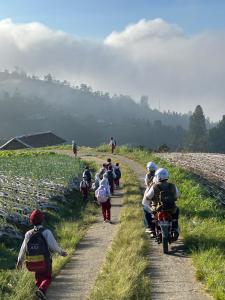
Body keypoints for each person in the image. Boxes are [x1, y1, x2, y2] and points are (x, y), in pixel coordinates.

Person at [16, 209, 67, 300]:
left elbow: (23, 247)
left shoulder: (28, 234)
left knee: (38, 278)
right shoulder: (46, 232)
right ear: (42, 220)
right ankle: (42, 290)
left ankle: (41, 295)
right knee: (47, 277)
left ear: (31, 221)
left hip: (31, 262)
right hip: (44, 260)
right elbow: (53, 246)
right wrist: (61, 252)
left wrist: (19, 260)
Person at [144, 168, 180, 238]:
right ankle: (175, 227)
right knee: (177, 210)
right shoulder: (172, 186)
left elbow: (148, 197)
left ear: (157, 176)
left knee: (146, 209)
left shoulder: (154, 186)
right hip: (171, 208)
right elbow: (177, 196)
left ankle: (150, 228)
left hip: (157, 208)